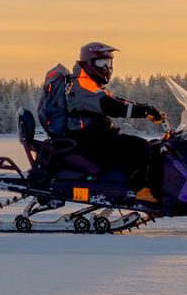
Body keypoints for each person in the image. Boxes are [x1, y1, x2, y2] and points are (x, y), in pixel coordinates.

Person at [43, 43, 166, 203]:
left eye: (109, 63)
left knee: (146, 147)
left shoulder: (88, 83)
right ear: (88, 63)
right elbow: (112, 106)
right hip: (90, 138)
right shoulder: (83, 84)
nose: (106, 68)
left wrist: (145, 109)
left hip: (94, 135)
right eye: (101, 63)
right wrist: (145, 111)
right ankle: (141, 192)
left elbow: (115, 100)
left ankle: (141, 188)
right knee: (141, 148)